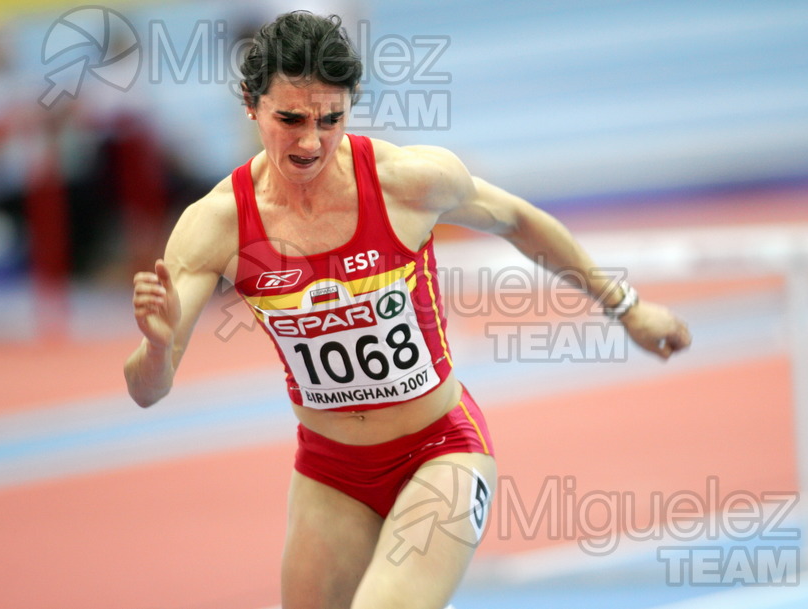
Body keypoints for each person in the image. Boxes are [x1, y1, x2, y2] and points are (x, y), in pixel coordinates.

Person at [124, 10, 691, 609]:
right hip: (329, 473)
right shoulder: (216, 225)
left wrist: (626, 308)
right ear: (251, 105)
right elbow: (146, 391)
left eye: (331, 119)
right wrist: (158, 348)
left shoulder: (408, 180)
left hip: (441, 450)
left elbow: (520, 221)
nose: (311, 142)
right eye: (290, 119)